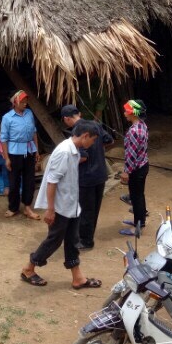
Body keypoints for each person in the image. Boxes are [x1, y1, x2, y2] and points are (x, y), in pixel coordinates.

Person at [20, 120, 103, 289]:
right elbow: (52, 182)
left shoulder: (74, 151)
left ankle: (78, 278)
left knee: (72, 239)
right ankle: (29, 268)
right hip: (60, 206)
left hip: (71, 204)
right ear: (85, 136)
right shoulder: (64, 152)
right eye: (93, 139)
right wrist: (50, 210)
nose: (93, 143)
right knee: (54, 240)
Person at [60, 105, 114, 251]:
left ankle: (85, 240)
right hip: (100, 174)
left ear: (66, 118)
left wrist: (66, 163)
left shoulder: (78, 132)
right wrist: (98, 151)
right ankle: (87, 237)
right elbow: (109, 140)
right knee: (94, 209)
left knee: (86, 210)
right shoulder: (94, 124)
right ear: (80, 114)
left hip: (86, 176)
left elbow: (83, 157)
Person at [0, 91, 41, 220]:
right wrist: (6, 158)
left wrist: (37, 151)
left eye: (26, 101)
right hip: (14, 153)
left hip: (29, 151)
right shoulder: (7, 118)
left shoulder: (29, 114)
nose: (25, 104)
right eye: (22, 102)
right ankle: (13, 207)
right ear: (15, 103)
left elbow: (34, 132)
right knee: (14, 182)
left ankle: (27, 207)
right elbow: (3, 139)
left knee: (29, 180)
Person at [120, 100, 149, 236]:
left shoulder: (134, 131)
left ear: (132, 112)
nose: (124, 113)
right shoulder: (142, 125)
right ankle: (140, 222)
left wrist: (126, 172)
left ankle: (137, 227)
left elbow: (131, 154)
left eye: (126, 110)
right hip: (143, 164)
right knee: (139, 195)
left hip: (136, 168)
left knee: (135, 197)